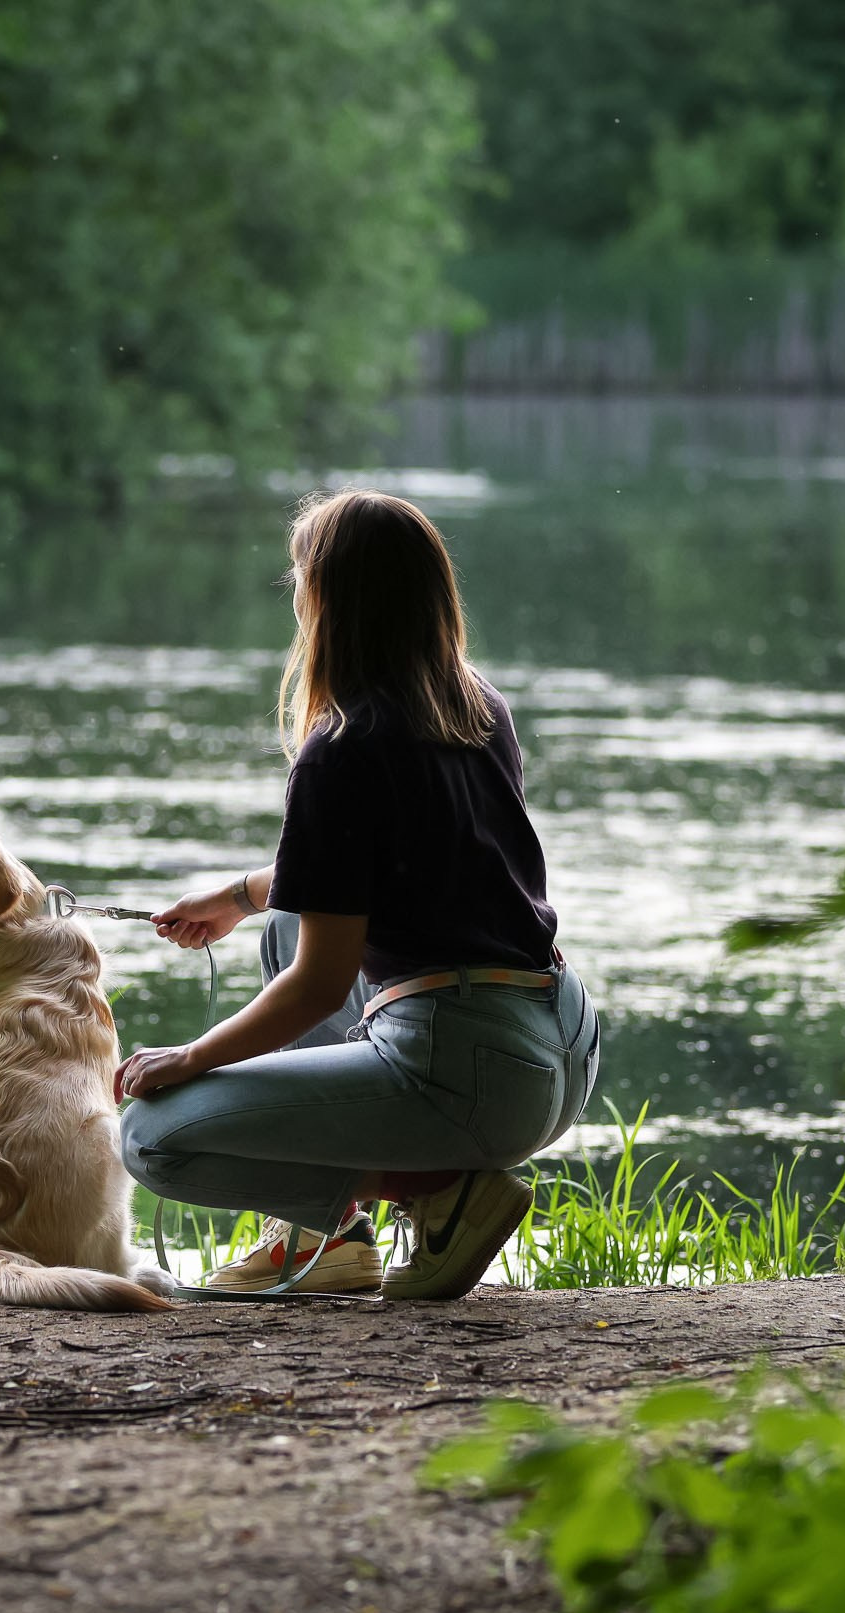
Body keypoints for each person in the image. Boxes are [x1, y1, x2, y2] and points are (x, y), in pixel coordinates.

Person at [115, 490, 600, 1299]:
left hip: (468, 1072)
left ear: (330, 599)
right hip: (561, 1045)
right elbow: (390, 870)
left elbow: (319, 987)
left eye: (303, 576)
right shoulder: (475, 705)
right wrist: (239, 896)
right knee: (281, 927)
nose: (296, 592)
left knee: (154, 1139)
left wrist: (190, 1059)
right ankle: (330, 1239)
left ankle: (441, 1190)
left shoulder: (341, 748)